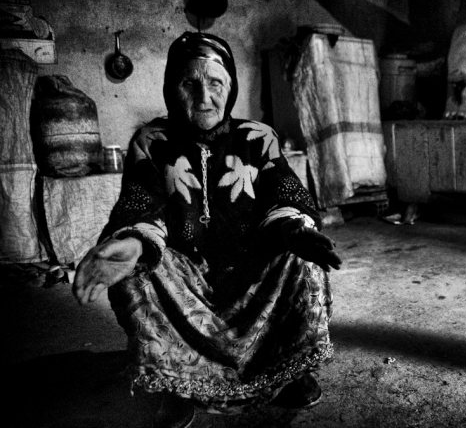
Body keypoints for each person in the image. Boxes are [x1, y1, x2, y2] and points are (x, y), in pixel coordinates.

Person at [72, 31, 342, 428]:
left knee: (302, 259)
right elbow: (140, 202)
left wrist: (294, 228)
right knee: (134, 272)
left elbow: (283, 189)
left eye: (215, 83)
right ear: (170, 88)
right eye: (189, 83)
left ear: (230, 89)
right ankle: (175, 384)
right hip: (187, 278)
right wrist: (131, 240)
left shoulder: (258, 137)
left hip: (251, 272)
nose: (203, 98)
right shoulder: (152, 141)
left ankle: (286, 372)